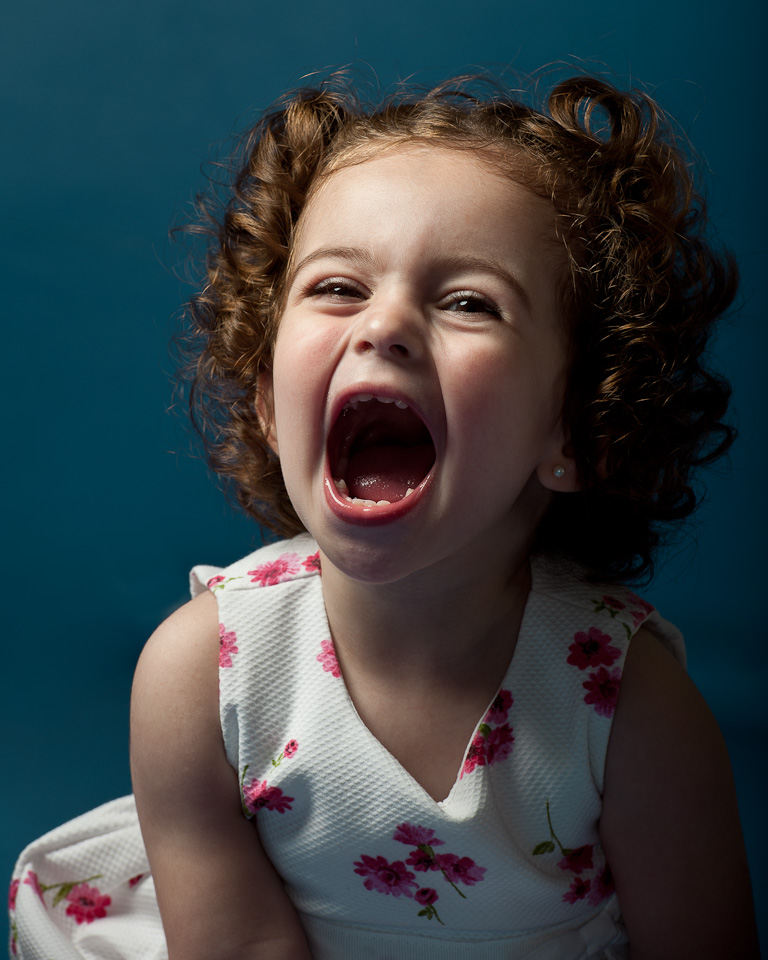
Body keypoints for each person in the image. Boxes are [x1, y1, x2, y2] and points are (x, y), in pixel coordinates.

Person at [9, 72, 760, 960]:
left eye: (469, 302)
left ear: (574, 429)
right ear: (270, 403)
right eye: (336, 288)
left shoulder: (627, 704)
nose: (385, 325)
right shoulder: (198, 676)